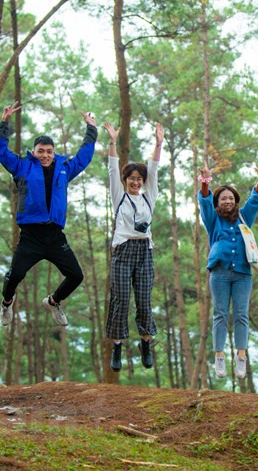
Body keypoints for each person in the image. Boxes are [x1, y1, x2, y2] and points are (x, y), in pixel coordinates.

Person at [0, 101, 98, 328]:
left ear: (54, 153)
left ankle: (53, 302)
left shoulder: (64, 168)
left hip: (55, 236)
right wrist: (4, 123)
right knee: (14, 276)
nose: (45, 155)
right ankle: (6, 302)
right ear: (34, 152)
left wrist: (91, 129)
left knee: (76, 276)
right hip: (31, 236)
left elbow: (83, 158)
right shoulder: (23, 167)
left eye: (49, 151)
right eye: (41, 151)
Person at [198, 161, 258, 379]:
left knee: (241, 314)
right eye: (223, 198)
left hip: (242, 274)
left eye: (230, 198)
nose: (227, 201)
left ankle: (241, 356)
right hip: (219, 272)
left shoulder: (244, 217)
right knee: (219, 313)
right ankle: (219, 356)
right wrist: (205, 181)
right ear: (218, 201)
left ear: (235, 201)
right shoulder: (213, 219)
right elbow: (204, 202)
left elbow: (256, 200)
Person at [103, 121, 164, 372]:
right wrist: (113, 142)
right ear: (125, 180)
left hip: (144, 252)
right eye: (131, 178)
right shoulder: (119, 196)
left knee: (144, 299)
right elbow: (111, 170)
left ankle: (146, 342)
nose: (136, 182)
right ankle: (117, 345)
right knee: (120, 299)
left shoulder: (149, 196)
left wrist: (158, 144)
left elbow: (155, 168)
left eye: (139, 179)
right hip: (123, 250)